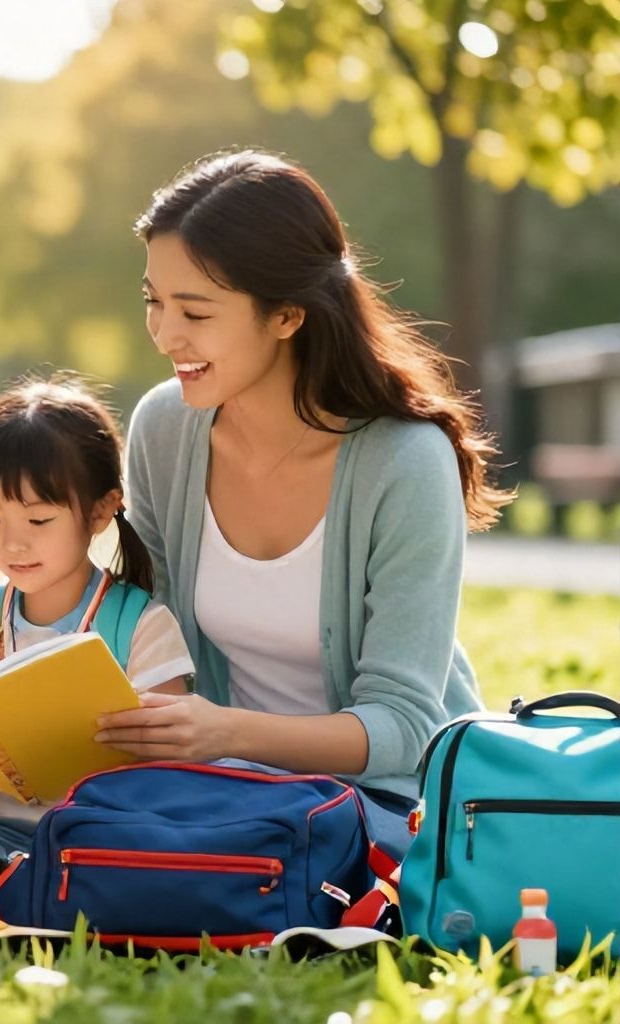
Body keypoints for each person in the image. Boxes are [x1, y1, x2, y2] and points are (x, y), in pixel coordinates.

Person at [100, 150, 509, 854]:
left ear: (287, 315)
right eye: (153, 302)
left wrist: (226, 733)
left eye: (195, 311)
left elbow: (403, 728)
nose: (167, 335)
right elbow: (149, 638)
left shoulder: (405, 461)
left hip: (388, 801)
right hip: (222, 787)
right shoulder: (163, 429)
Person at [0, 377, 195, 916]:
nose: (13, 542)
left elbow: (171, 756)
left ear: (101, 510)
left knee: (115, 891)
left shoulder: (141, 624)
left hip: (103, 829)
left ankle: (39, 907)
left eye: (38, 519)